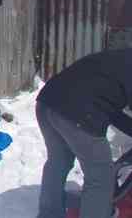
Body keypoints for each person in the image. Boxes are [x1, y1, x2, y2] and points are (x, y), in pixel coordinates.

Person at [36, 49, 132, 218]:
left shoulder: (119, 57)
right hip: (78, 113)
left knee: (58, 161)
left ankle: (49, 214)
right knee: (100, 176)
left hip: (47, 101)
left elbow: (110, 106)